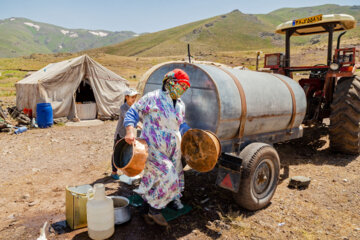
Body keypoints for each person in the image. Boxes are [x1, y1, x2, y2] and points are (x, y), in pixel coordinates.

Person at [124, 69, 191, 226]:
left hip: (174, 150)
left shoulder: (181, 104)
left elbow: (180, 125)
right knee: (170, 177)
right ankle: (155, 210)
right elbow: (133, 112)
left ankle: (145, 207)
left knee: (155, 178)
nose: (183, 90)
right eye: (182, 85)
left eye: (186, 88)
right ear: (170, 82)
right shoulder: (152, 98)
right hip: (153, 147)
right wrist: (129, 131)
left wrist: (191, 133)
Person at [111, 88, 139, 180]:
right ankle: (114, 172)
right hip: (120, 133)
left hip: (128, 135)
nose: (134, 99)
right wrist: (137, 124)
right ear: (126, 97)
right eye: (132, 97)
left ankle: (125, 170)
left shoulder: (135, 107)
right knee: (116, 153)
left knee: (127, 152)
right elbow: (127, 118)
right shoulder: (123, 107)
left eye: (135, 97)